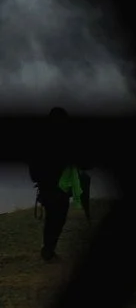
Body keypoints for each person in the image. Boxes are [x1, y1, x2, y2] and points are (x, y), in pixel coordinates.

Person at [29, 107, 86, 263]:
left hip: (51, 187)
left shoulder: (43, 140)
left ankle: (48, 250)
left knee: (54, 219)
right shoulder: (63, 140)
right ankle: (48, 250)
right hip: (55, 188)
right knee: (57, 219)